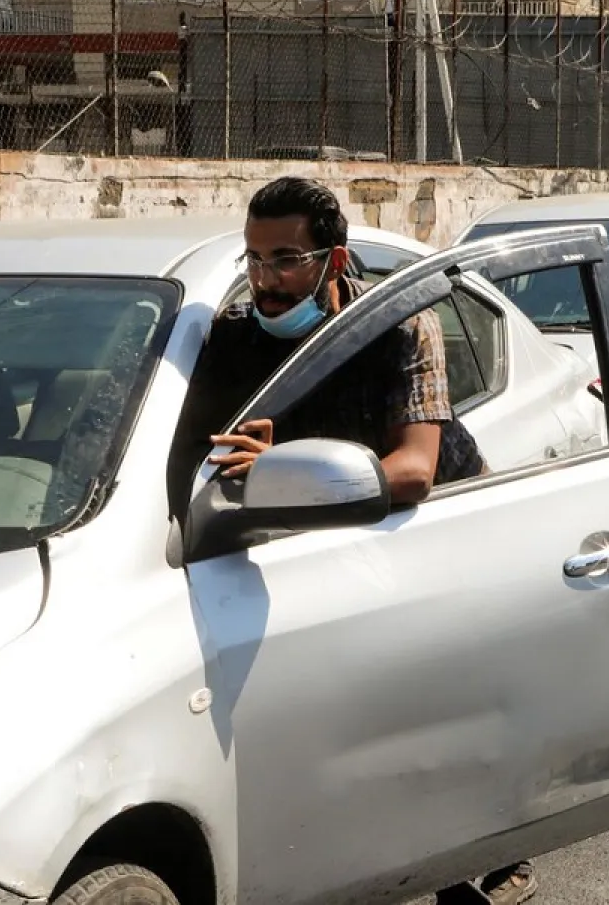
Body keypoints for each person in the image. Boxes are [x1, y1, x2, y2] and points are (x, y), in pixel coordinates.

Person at [167, 177, 535, 905]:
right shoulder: (234, 337)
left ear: (333, 261)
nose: (266, 280)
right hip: (323, 539)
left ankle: (491, 851)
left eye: (286, 259)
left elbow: (414, 470)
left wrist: (277, 461)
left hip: (434, 531)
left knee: (450, 705)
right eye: (254, 260)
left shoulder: (397, 324)